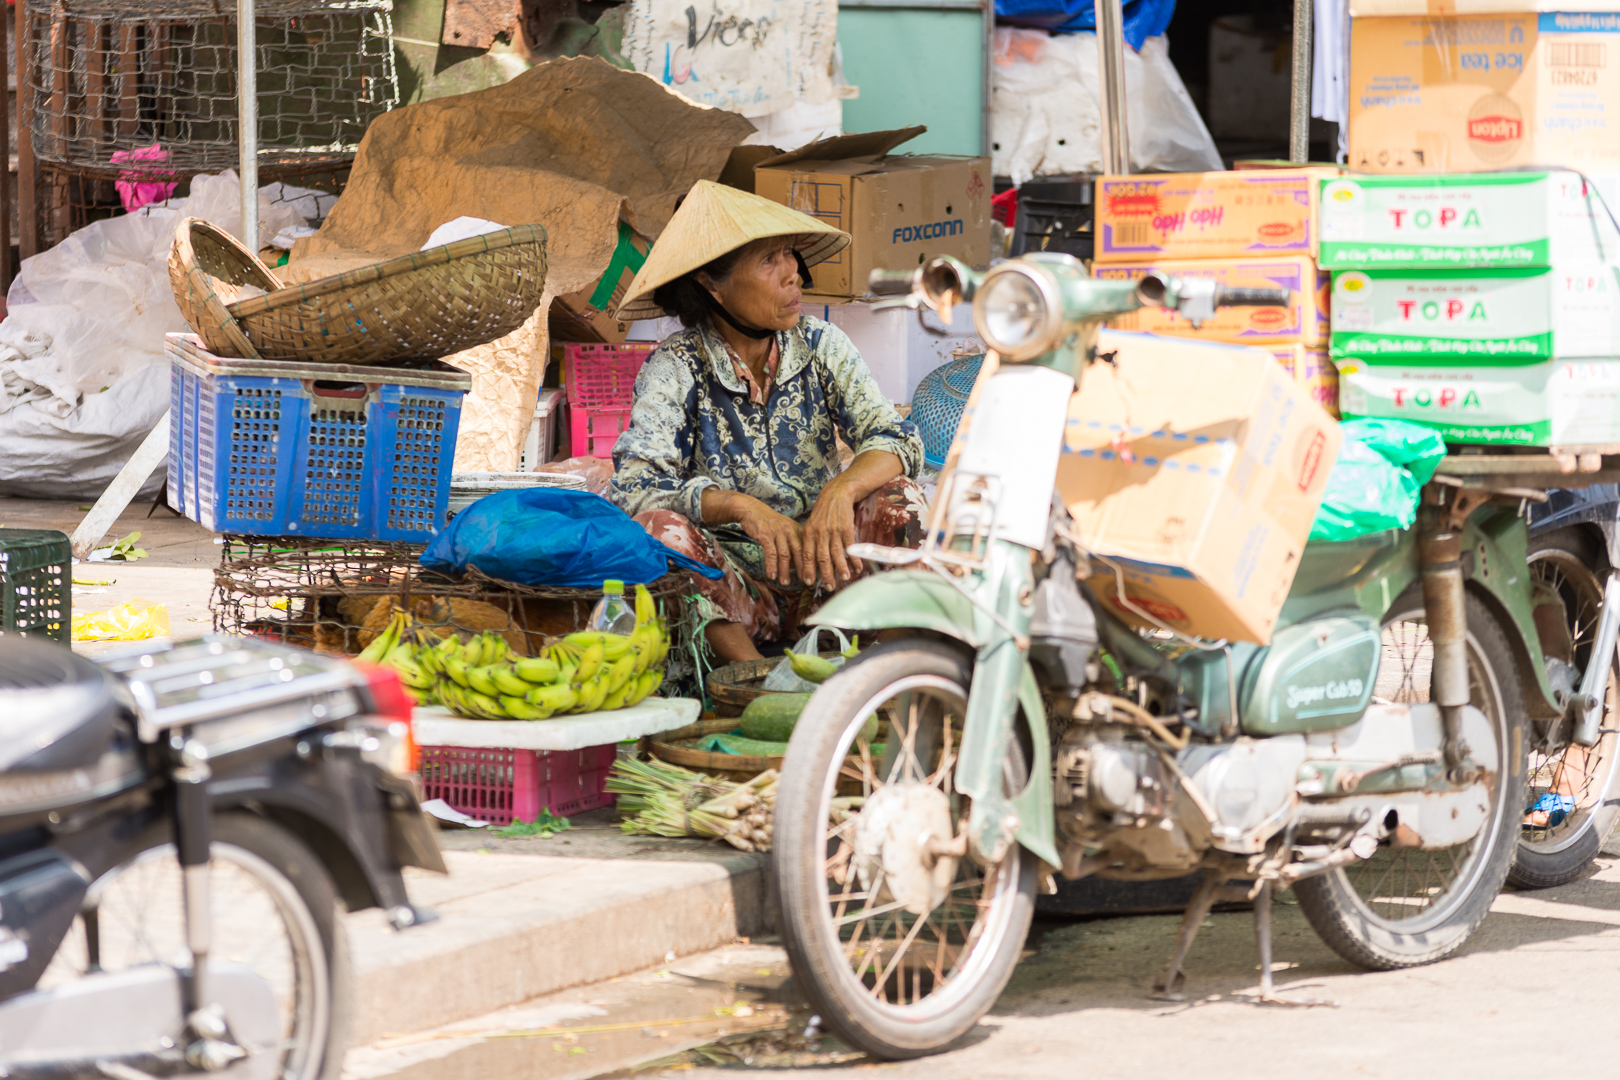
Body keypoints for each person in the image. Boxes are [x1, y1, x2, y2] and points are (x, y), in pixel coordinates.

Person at [608, 180, 927, 663]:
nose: (792, 273)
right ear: (711, 284)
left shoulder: (822, 345)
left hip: (832, 576)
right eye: (767, 260)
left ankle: (887, 667)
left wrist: (839, 491)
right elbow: (636, 488)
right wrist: (739, 506)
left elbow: (894, 439)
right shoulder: (676, 366)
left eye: (789, 254)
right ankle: (752, 683)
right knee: (657, 530)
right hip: (738, 595)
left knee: (900, 497)